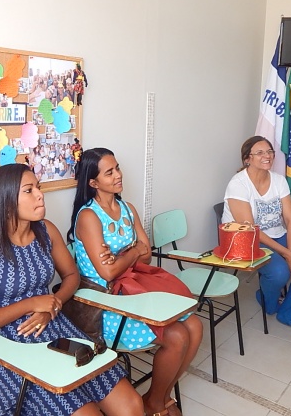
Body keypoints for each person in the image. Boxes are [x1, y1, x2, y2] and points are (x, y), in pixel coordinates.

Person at [0, 164, 142, 416]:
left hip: (55, 328)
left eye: (38, 188)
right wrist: (32, 304)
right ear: (6, 200)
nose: (40, 195)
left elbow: (72, 276)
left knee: (132, 406)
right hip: (9, 342)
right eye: (29, 190)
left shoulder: (45, 230)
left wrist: (53, 303)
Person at [68, 148, 202, 416]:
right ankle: (157, 404)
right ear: (93, 182)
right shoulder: (88, 216)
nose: (118, 175)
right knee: (177, 336)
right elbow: (108, 273)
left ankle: (157, 398)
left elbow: (147, 254)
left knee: (195, 327)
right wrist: (132, 252)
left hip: (134, 289)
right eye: (109, 172)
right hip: (106, 301)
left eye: (117, 168)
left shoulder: (128, 209)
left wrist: (121, 257)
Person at [220, 136, 291, 336]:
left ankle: (290, 314)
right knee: (280, 272)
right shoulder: (238, 184)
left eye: (270, 151)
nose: (267, 156)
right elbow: (251, 230)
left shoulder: (279, 181)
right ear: (247, 158)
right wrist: (288, 255)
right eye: (260, 152)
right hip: (246, 240)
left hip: (276, 235)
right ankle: (266, 299)